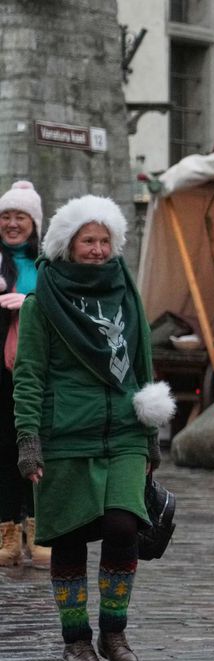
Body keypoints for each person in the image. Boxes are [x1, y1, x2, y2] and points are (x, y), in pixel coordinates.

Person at [13, 195, 176, 661]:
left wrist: (150, 436)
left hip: (124, 430)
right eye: (89, 240)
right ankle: (76, 641)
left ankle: (114, 631)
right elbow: (29, 374)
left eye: (105, 240)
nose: (99, 249)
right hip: (65, 434)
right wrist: (28, 439)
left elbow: (142, 362)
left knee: (123, 526)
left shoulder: (126, 292)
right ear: (68, 244)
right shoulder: (41, 302)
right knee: (69, 538)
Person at [0, 180, 48, 568]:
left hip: (35, 370)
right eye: (5, 216)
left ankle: (39, 528)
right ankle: (7, 532)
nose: (12, 224)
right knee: (2, 449)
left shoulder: (47, 263)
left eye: (21, 217)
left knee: (34, 447)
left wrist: (30, 302)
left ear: (34, 224)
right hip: (1, 374)